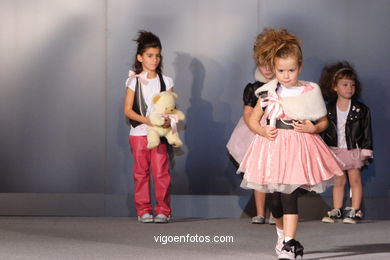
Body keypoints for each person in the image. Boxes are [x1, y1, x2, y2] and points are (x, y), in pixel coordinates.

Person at [238, 28, 343, 259]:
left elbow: (323, 121)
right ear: (273, 70)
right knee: (275, 202)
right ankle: (281, 235)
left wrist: (313, 127)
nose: (286, 75)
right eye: (281, 70)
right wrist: (263, 130)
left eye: (291, 70)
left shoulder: (309, 90)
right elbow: (253, 121)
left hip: (298, 147)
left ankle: (290, 243)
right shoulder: (267, 93)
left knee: (289, 196)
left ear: (300, 67)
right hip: (273, 148)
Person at [124, 31, 174, 223]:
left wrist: (168, 120)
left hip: (159, 135)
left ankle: (163, 210)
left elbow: (171, 109)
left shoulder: (166, 81)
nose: (154, 60)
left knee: (161, 173)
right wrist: (146, 121)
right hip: (138, 133)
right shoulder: (133, 81)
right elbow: (128, 110)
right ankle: (143, 210)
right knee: (141, 173)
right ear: (140, 57)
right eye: (150, 56)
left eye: (157, 56)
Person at [227, 29, 276, 225]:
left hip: (276, 130)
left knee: (275, 173)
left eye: (270, 65)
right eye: (262, 65)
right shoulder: (253, 88)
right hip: (256, 132)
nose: (266, 69)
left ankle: (276, 213)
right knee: (259, 173)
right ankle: (260, 212)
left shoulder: (283, 87)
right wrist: (257, 129)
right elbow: (248, 114)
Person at [319, 61, 373, 224]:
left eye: (352, 85)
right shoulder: (327, 109)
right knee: (338, 181)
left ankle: (355, 210)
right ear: (334, 87)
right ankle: (337, 209)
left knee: (355, 179)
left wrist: (366, 149)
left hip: (353, 150)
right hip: (334, 150)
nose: (349, 88)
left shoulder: (361, 110)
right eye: (345, 84)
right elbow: (322, 131)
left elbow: (366, 132)